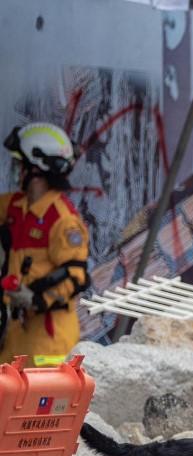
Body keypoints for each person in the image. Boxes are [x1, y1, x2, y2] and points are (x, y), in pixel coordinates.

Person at [0, 122, 90, 367]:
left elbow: (75, 276)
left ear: (36, 170)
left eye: (21, 164)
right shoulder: (15, 207)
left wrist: (36, 298)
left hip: (49, 339)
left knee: (34, 402)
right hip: (18, 332)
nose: (18, 170)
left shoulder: (63, 220)